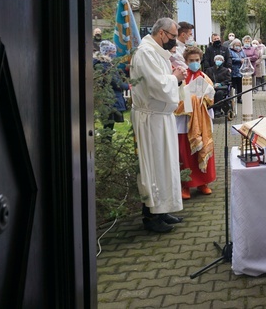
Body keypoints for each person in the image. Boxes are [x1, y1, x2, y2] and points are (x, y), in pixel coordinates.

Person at [130, 17, 187, 233]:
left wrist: (175, 78)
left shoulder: (156, 52)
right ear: (161, 33)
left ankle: (162, 210)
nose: (174, 41)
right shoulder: (145, 52)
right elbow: (158, 86)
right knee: (154, 167)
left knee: (166, 166)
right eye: (173, 37)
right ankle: (151, 217)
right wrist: (175, 77)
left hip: (162, 118)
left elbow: (164, 81)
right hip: (151, 120)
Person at [175, 46, 216, 199]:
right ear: (186, 61)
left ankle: (203, 183)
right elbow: (175, 99)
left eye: (197, 60)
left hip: (203, 121)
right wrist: (189, 100)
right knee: (186, 154)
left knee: (203, 148)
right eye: (191, 60)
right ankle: (186, 185)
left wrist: (204, 99)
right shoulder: (181, 79)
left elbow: (211, 98)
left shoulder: (205, 78)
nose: (194, 63)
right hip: (184, 122)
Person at [93, 40, 128, 136]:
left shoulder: (107, 64)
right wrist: (127, 86)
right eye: (113, 52)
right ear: (107, 52)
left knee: (110, 124)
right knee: (108, 125)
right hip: (109, 99)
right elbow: (115, 81)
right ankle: (106, 143)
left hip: (110, 99)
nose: (115, 54)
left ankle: (107, 143)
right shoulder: (105, 66)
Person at [229, 38, 246, 102]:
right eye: (236, 45)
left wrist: (244, 60)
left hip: (241, 71)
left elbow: (245, 57)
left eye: (239, 45)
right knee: (233, 85)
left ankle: (239, 98)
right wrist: (239, 60)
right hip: (233, 70)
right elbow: (230, 59)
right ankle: (232, 98)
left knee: (240, 86)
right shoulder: (230, 51)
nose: (238, 46)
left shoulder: (242, 51)